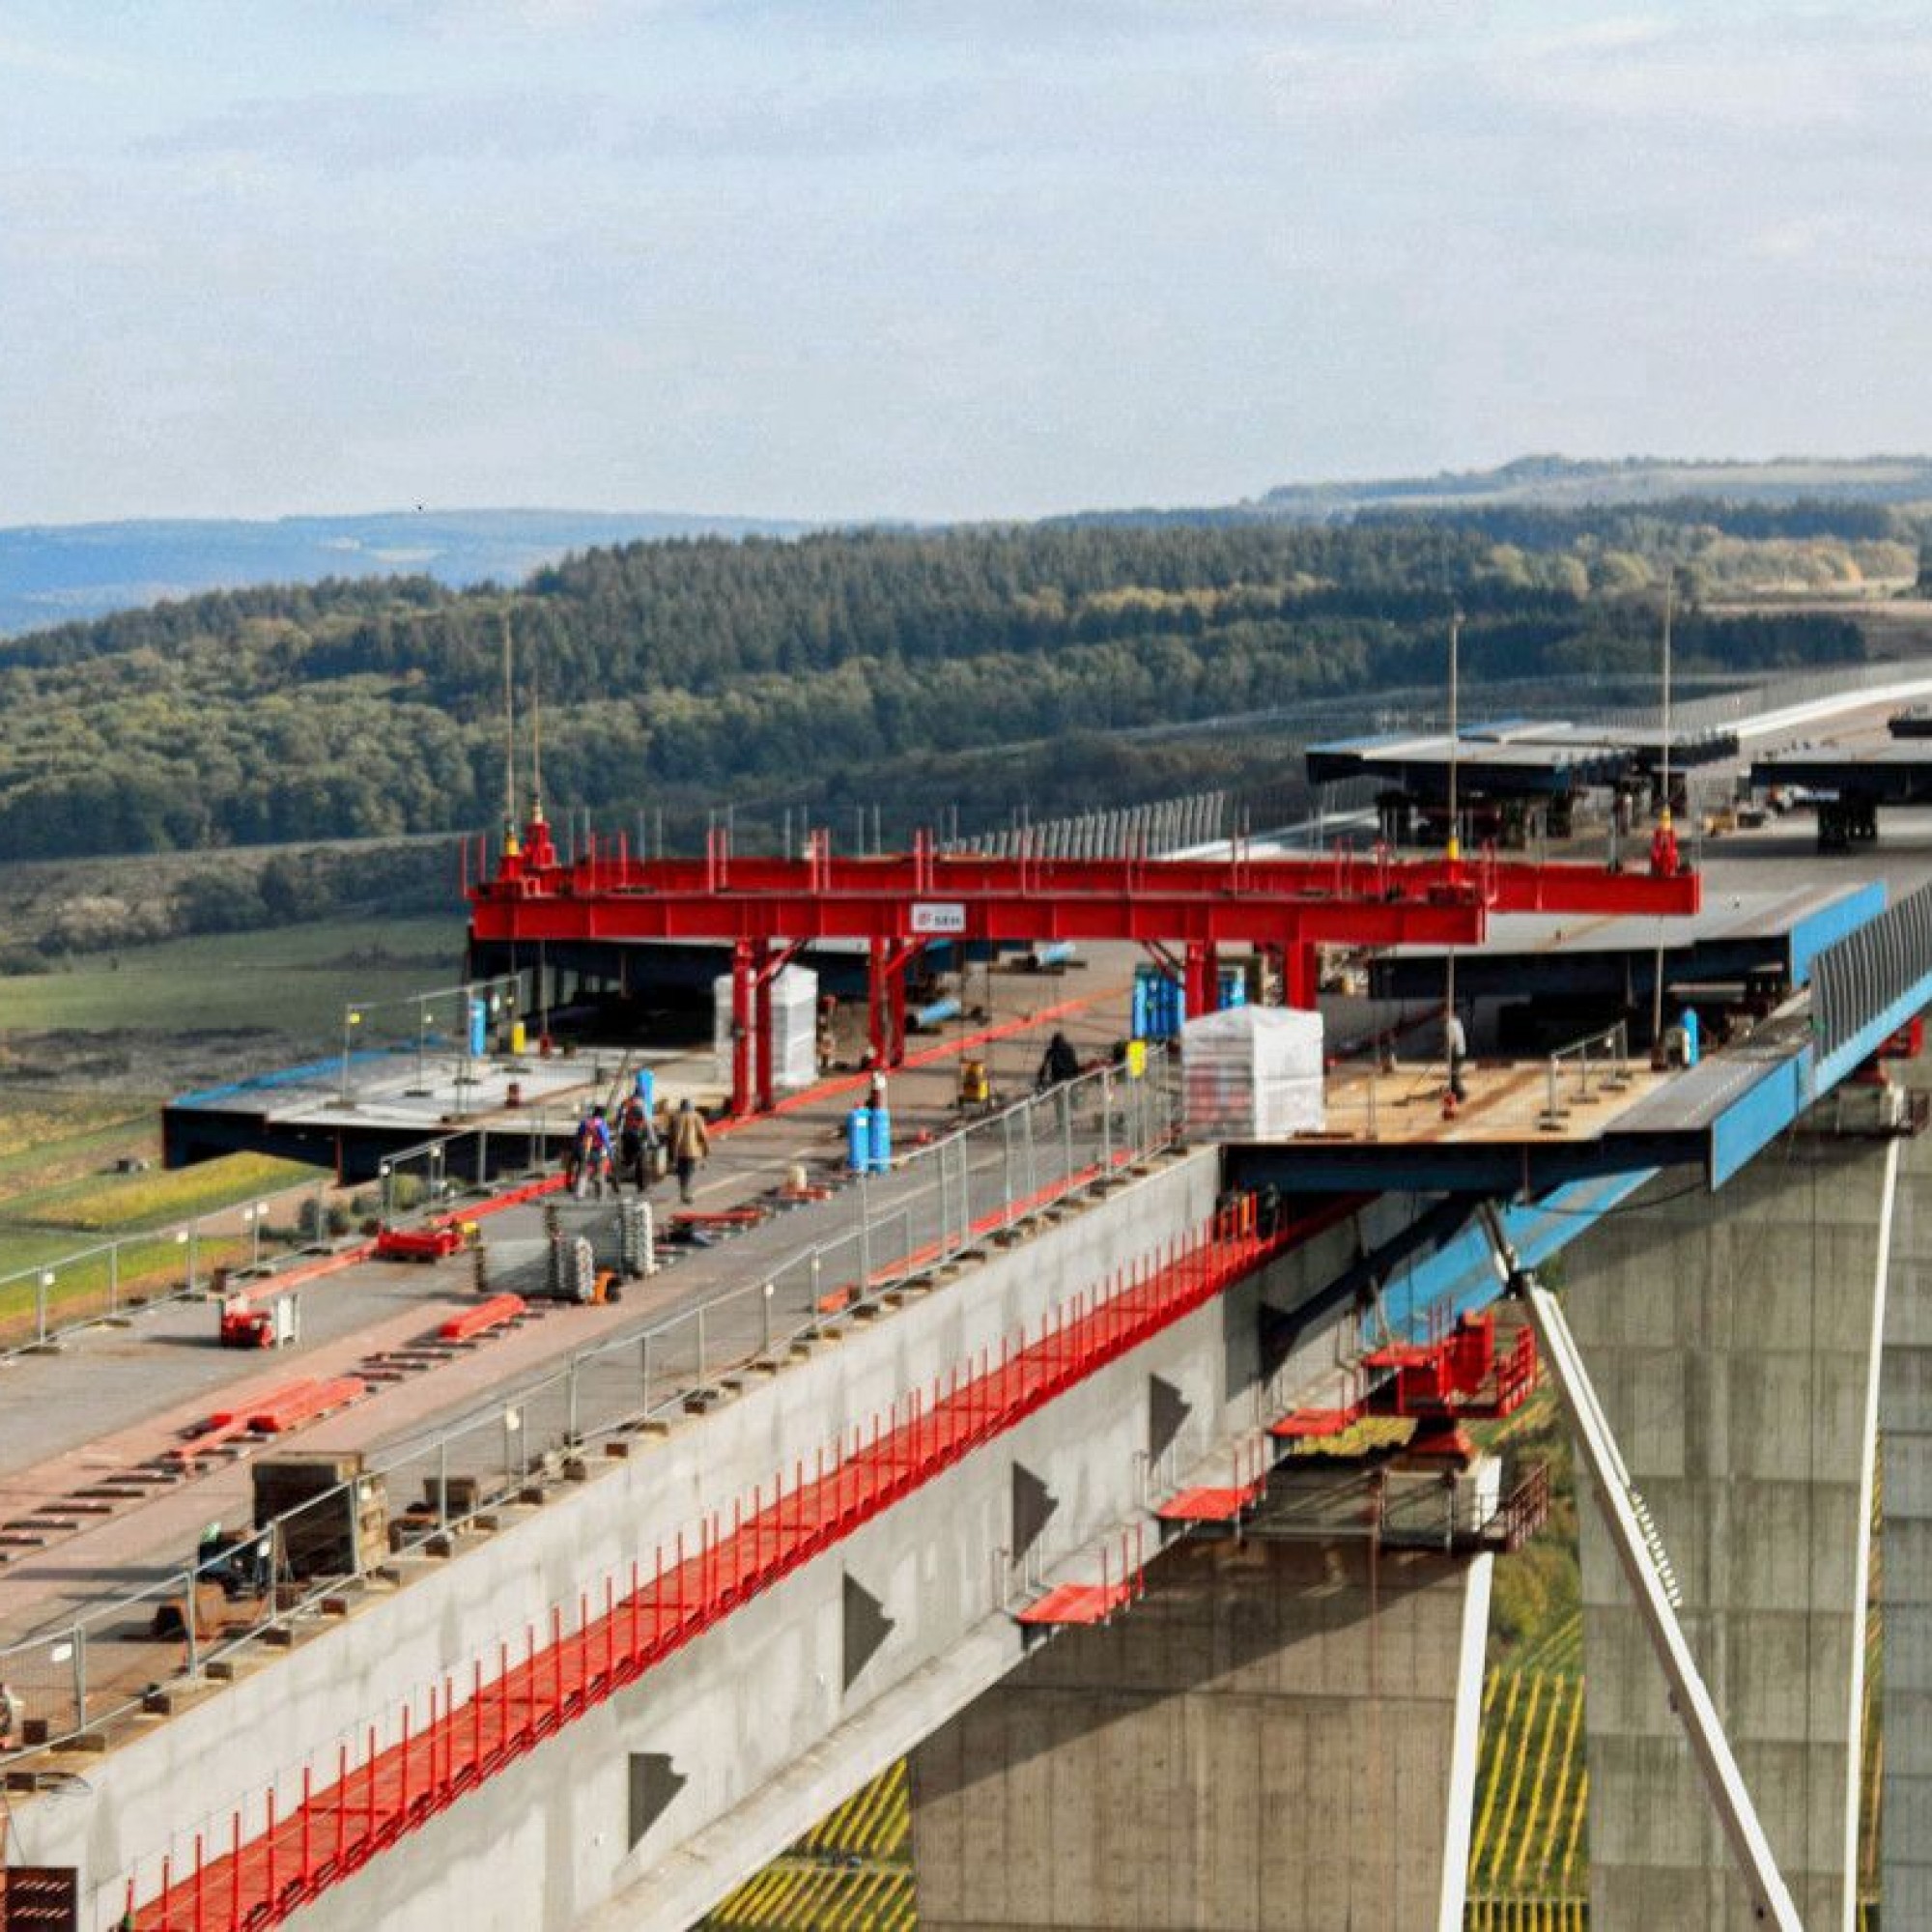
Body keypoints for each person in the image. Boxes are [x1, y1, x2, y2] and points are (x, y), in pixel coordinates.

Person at [668, 1096, 711, 1204]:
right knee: (688, 1172)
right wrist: (706, 1150)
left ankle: (684, 1192)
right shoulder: (697, 1117)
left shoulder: (676, 1117)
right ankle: (686, 1195)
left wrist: (671, 1154)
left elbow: (671, 1136)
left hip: (678, 1151)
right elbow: (703, 1135)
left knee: (682, 1172)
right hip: (692, 1151)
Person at [615, 1091, 658, 1192]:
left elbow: (619, 1120)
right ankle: (642, 1186)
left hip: (625, 1135)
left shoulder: (625, 1103)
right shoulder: (642, 1105)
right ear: (641, 1097)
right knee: (641, 1160)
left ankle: (618, 1178)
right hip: (638, 1136)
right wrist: (653, 1140)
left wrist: (619, 1134)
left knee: (626, 1158)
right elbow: (647, 1124)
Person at [571, 1106, 613, 1200]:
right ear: (603, 1115)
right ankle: (600, 1196)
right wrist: (611, 1153)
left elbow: (578, 1136)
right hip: (597, 1151)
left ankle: (579, 1194)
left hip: (584, 1150)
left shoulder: (585, 1122)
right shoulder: (602, 1124)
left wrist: (575, 1151)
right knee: (599, 1173)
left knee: (583, 1172)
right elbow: (605, 1139)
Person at [1444, 1008, 1468, 1104]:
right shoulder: (1458, 1022)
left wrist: (1447, 1048)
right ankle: (1454, 1093)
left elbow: (1451, 1039)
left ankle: (1460, 1094)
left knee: (1454, 1074)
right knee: (1454, 1073)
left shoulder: (1449, 1024)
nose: (1443, 1016)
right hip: (1461, 1050)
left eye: (1444, 1014)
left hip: (1455, 1051)